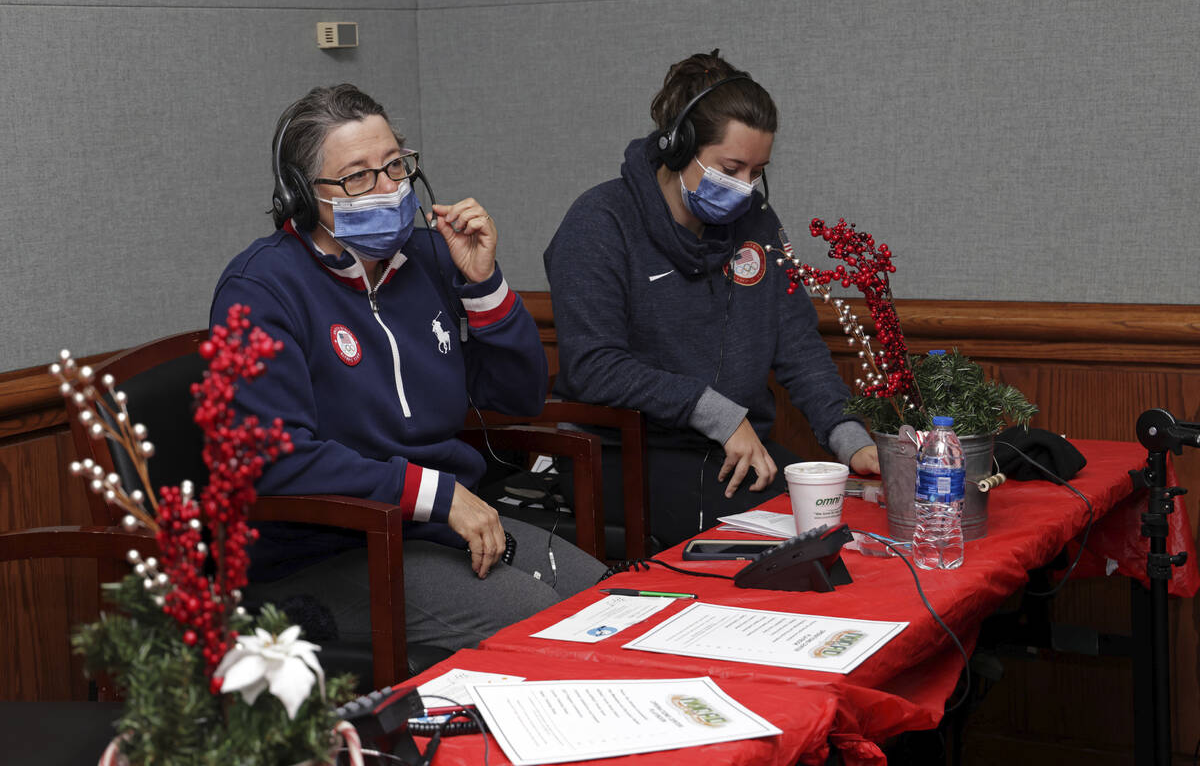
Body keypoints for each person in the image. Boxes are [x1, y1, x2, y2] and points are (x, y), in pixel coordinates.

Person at [211, 84, 605, 652]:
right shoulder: (262, 287)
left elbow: (519, 398)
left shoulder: (429, 257)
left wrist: (484, 285)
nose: (388, 188)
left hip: (435, 528)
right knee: (561, 635)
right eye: (357, 177)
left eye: (395, 165)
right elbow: (274, 459)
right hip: (325, 550)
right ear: (302, 194)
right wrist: (436, 494)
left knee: (612, 610)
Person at [544, 50, 880, 549]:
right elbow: (593, 365)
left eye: (757, 171)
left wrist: (851, 440)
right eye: (731, 168)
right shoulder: (599, 223)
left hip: (738, 453)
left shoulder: (756, 224)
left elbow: (798, 345)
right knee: (803, 539)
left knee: (854, 513)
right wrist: (715, 413)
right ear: (680, 148)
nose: (745, 189)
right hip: (626, 459)